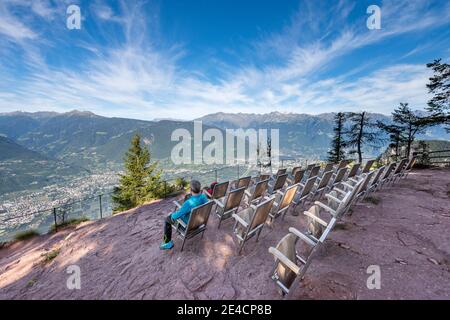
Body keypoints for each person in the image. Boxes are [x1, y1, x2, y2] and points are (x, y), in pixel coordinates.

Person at [160, 180, 208, 250]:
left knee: (167, 219)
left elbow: (176, 216)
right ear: (200, 189)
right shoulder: (204, 197)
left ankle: (167, 243)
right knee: (179, 213)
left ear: (191, 190)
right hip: (198, 223)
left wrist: (172, 214)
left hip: (187, 226)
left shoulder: (188, 203)